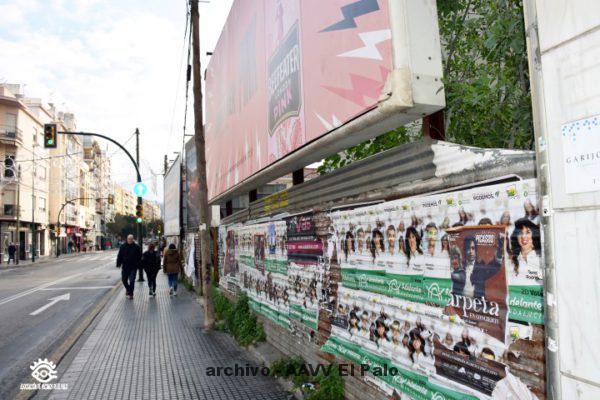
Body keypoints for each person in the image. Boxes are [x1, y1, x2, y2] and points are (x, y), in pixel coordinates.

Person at [510, 218, 542, 285]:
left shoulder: (541, 257)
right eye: (520, 233)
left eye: (528, 232)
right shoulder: (512, 259)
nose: (523, 236)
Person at [116, 234, 142, 299]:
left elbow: (139, 257)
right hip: (125, 267)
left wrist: (139, 265)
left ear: (133, 239)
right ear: (127, 239)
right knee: (124, 280)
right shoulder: (123, 246)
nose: (130, 240)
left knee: (132, 281)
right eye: (129, 239)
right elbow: (119, 255)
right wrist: (118, 263)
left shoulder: (137, 247)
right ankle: (128, 289)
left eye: (131, 239)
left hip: (133, 267)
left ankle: (131, 294)